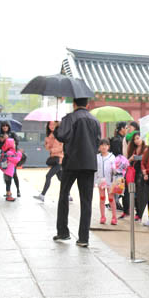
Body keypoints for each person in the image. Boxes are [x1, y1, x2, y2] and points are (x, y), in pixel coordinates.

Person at [53, 97, 101, 247]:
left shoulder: (70, 118)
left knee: (64, 195)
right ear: (87, 104)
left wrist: (56, 128)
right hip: (89, 163)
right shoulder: (94, 120)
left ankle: (63, 231)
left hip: (72, 162)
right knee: (86, 200)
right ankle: (83, 238)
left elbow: (62, 136)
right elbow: (97, 141)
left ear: (74, 104)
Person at [35, 121, 65, 201]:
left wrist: (52, 149)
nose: (51, 126)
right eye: (50, 125)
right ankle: (68, 195)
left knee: (48, 176)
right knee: (61, 178)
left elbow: (62, 147)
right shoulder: (50, 135)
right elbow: (48, 148)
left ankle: (42, 195)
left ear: (56, 125)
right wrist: (47, 142)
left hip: (59, 159)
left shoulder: (59, 135)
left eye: (53, 124)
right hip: (54, 159)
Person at [95, 138, 117, 225]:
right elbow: (95, 170)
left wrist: (115, 170)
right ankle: (102, 216)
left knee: (111, 198)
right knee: (102, 198)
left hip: (110, 181)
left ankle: (114, 217)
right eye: (102, 145)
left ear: (108, 146)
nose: (104, 147)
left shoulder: (112, 157)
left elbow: (116, 170)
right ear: (99, 147)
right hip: (101, 181)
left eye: (106, 145)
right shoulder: (97, 157)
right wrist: (95, 181)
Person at [0, 120, 21, 197]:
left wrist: (8, 139)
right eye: (3, 126)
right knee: (6, 174)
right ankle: (8, 191)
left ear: (9, 126)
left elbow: (17, 142)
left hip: (12, 157)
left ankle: (18, 190)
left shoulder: (13, 133)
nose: (5, 127)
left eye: (6, 125)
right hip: (5, 158)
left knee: (14, 174)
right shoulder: (0, 135)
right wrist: (2, 141)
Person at [0, 134, 23, 202]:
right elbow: (16, 160)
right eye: (14, 143)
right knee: (8, 183)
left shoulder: (8, 152)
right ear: (10, 144)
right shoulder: (10, 152)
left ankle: (8, 193)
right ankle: (8, 196)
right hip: (8, 172)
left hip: (7, 171)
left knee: (8, 183)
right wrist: (19, 154)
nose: (15, 144)